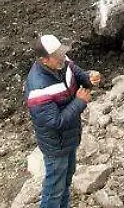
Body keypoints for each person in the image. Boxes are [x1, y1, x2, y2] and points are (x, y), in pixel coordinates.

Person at [25, 33, 101, 208]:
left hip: (70, 137)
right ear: (44, 60)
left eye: (62, 52)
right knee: (54, 189)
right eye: (57, 55)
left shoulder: (62, 62)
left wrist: (90, 78)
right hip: (56, 145)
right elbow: (56, 122)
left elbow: (78, 75)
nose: (63, 57)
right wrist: (79, 102)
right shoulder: (38, 87)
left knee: (66, 181)